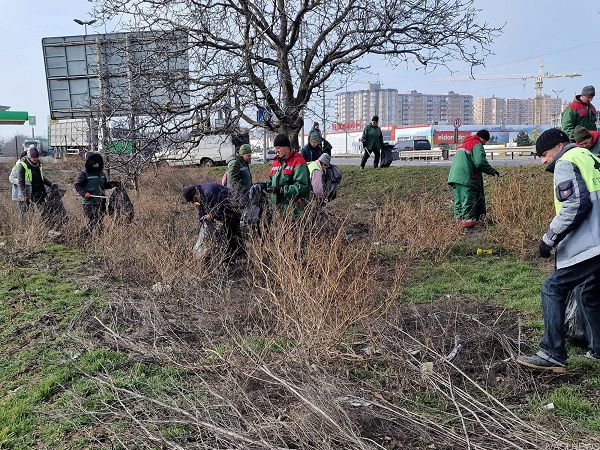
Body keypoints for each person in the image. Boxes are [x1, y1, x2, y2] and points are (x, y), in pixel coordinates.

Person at [516, 128, 600, 373]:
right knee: (589, 294)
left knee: (552, 287)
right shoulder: (592, 157)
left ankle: (552, 353)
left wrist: (549, 239)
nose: (543, 161)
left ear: (558, 146)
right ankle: (597, 350)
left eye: (544, 154)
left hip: (592, 245)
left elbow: (575, 205)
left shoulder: (566, 161)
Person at [447, 130, 499, 229]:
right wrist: (491, 171)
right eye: (485, 142)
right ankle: (468, 227)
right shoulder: (476, 144)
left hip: (454, 177)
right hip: (466, 177)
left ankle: (459, 226)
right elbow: (480, 162)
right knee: (468, 201)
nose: (484, 144)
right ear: (483, 139)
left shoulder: (464, 144)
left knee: (459, 202)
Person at [182, 183, 242, 259]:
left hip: (234, 208)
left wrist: (212, 215)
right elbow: (202, 210)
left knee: (231, 231)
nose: (194, 202)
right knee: (227, 232)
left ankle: (235, 255)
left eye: (193, 200)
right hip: (227, 210)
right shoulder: (200, 194)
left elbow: (222, 206)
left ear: (194, 195)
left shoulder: (209, 191)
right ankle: (231, 252)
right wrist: (202, 221)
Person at [74, 152, 120, 233]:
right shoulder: (83, 174)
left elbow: (105, 185)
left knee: (99, 221)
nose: (96, 165)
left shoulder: (101, 174)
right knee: (94, 221)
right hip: (89, 203)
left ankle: (97, 238)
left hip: (101, 202)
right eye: (94, 163)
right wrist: (84, 193)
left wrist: (114, 184)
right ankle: (81, 235)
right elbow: (78, 185)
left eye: (98, 163)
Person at [267, 133, 311, 215]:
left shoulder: (298, 161)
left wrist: (282, 190)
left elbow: (302, 186)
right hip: (277, 209)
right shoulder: (275, 163)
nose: (276, 151)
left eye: (278, 148)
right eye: (275, 148)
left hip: (293, 210)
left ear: (286, 147)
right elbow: (272, 182)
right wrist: (265, 186)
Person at [15, 146, 54, 221]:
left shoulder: (38, 164)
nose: (36, 159)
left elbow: (41, 178)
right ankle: (27, 228)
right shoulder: (22, 165)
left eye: (37, 157)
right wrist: (24, 194)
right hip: (29, 192)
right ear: (29, 157)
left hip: (39, 191)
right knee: (28, 213)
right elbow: (20, 181)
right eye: (34, 157)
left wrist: (50, 184)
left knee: (44, 211)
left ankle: (47, 226)